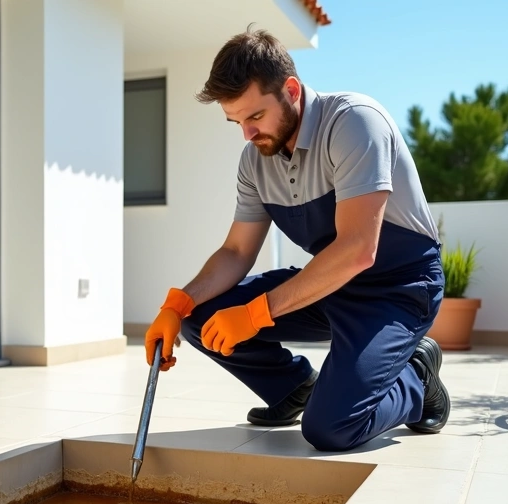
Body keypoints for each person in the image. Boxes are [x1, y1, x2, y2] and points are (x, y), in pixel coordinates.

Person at [144, 28, 450, 452]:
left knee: (332, 428)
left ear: (290, 89)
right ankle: (294, 388)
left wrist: (254, 316)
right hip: (330, 286)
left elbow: (359, 249)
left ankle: (417, 377)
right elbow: (236, 251)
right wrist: (176, 305)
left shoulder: (353, 122)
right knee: (201, 315)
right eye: (236, 122)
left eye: (254, 117)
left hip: (397, 290)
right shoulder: (256, 160)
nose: (247, 135)